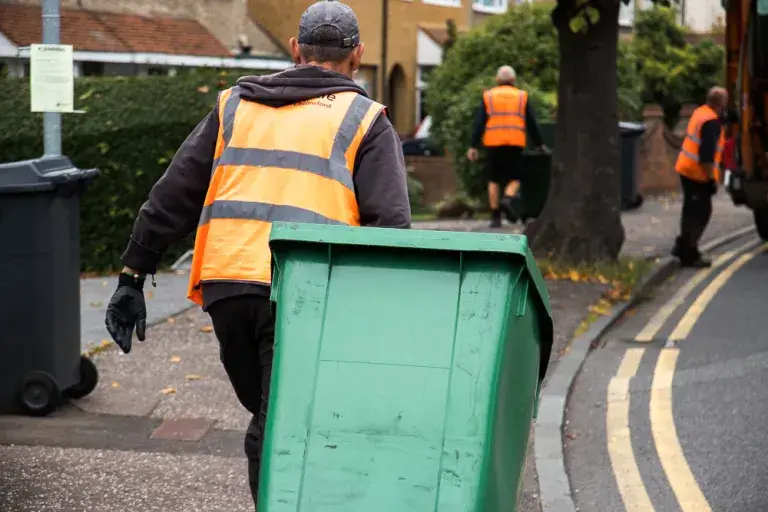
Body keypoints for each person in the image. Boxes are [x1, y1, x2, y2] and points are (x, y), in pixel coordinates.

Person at [103, 1, 411, 508]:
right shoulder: (366, 121)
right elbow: (390, 228)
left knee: (273, 412)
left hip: (227, 287)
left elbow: (172, 196)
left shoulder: (233, 106)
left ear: (295, 50)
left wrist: (132, 275)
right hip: (304, 291)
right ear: (357, 55)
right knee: (279, 424)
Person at [466, 65, 547, 228]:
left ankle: (496, 217)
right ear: (513, 80)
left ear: (497, 79)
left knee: (493, 179)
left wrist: (473, 145)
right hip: (515, 143)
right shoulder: (521, 96)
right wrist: (540, 144)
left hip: (493, 143)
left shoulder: (488, 96)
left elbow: (479, 123)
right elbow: (531, 123)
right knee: (515, 178)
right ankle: (507, 199)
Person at [672, 86, 728, 267]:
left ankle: (683, 246)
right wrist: (712, 179)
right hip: (697, 173)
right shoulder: (711, 122)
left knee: (690, 210)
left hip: (686, 169)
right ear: (721, 103)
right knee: (700, 213)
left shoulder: (700, 113)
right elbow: (706, 156)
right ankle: (689, 253)